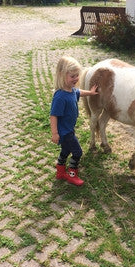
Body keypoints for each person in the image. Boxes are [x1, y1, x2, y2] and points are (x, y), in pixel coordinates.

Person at [50, 56, 98, 186]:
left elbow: (79, 92)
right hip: (65, 132)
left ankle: (60, 172)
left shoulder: (71, 91)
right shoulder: (60, 96)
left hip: (68, 129)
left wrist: (91, 92)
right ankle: (72, 175)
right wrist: (55, 133)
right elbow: (53, 115)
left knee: (65, 150)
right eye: (72, 76)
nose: (76, 78)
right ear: (61, 75)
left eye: (77, 75)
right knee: (77, 152)